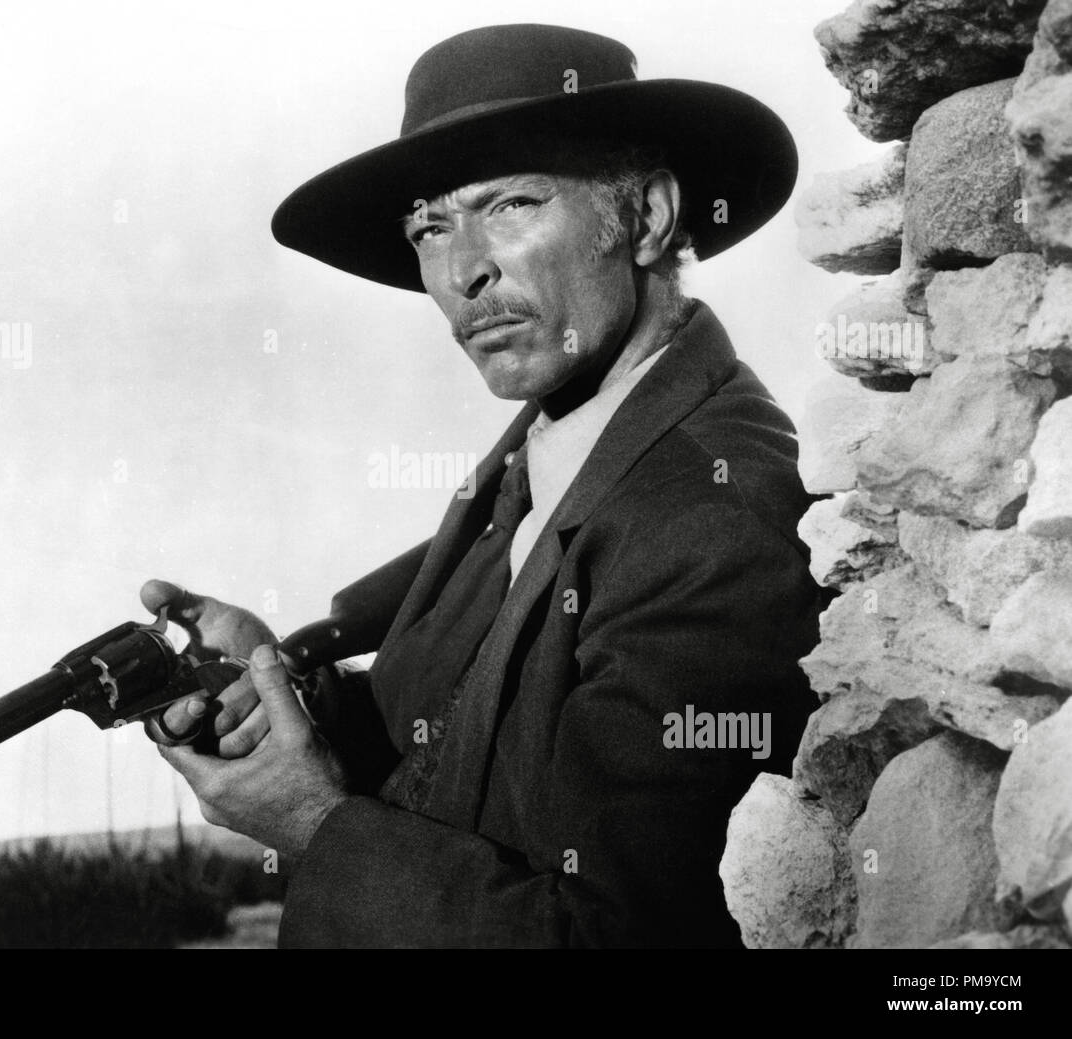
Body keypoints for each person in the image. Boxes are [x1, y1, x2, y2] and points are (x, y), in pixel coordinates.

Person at [143, 23, 825, 948]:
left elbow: (612, 937)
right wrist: (282, 697)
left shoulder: (710, 515)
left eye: (509, 204)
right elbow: (455, 752)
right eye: (430, 226)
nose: (463, 271)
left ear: (651, 217)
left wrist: (311, 824)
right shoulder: (541, 462)